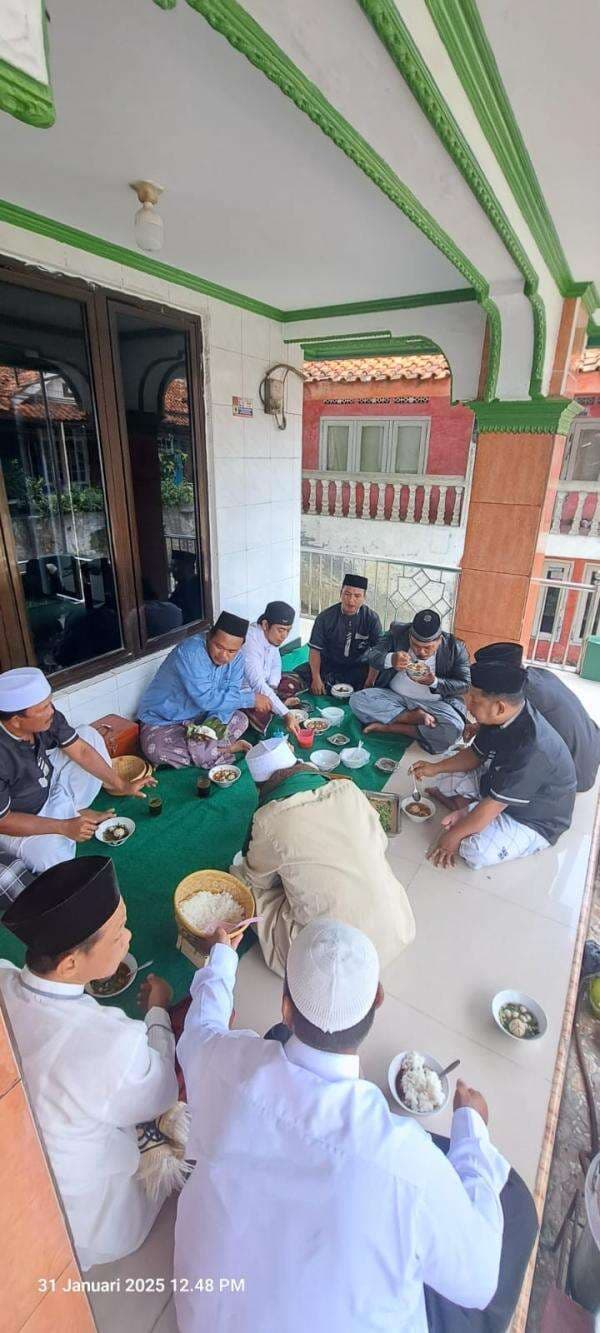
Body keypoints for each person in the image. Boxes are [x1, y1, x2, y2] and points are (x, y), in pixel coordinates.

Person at [174, 918, 537, 1333]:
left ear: (285, 1005)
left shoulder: (229, 1064)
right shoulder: (406, 1161)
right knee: (512, 1203)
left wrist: (221, 957)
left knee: (273, 1041)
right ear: (377, 1000)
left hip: (203, 1320)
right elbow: (479, 1282)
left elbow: (201, 1029)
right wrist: (473, 1134)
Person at [0, 857, 179, 1270]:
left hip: (22, 1181)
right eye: (118, 934)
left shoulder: (5, 977)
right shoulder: (108, 1043)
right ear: (70, 965)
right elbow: (161, 1092)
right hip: (89, 1218)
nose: (128, 937)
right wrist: (157, 1013)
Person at [232, 737, 415, 974]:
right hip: (396, 930)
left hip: (330, 960)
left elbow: (259, 879)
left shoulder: (269, 818)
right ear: (299, 765)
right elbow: (379, 841)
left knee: (244, 881)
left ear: (260, 787)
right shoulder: (348, 789)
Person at [413, 659, 577, 871]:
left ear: (499, 706)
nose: (467, 704)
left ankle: (470, 813)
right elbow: (473, 755)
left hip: (533, 816)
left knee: (473, 851)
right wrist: (433, 767)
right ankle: (470, 812)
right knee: (444, 780)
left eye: (474, 700)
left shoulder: (534, 748)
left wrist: (451, 837)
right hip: (500, 785)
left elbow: (495, 804)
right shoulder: (502, 717)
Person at [0, 667, 154, 873]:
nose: (51, 711)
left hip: (47, 783)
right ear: (16, 721)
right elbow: (5, 822)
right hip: (20, 818)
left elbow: (81, 751)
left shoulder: (48, 717)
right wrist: (62, 827)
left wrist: (122, 785)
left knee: (88, 735)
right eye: (42, 708)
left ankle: (74, 811)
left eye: (49, 702)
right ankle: (69, 817)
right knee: (52, 859)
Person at [138, 611, 270, 769]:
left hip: (200, 717)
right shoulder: (190, 652)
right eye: (218, 646)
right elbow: (206, 698)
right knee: (155, 749)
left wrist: (209, 729)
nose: (223, 656)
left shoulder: (238, 660)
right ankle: (220, 750)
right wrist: (251, 699)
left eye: (231, 651)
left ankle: (206, 751)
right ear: (209, 636)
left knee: (241, 719)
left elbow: (229, 698)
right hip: (164, 721)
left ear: (240, 647)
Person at [474, 641, 600, 793]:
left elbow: (500, 743)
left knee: (489, 780)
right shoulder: (538, 674)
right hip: (591, 749)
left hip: (576, 775)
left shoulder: (524, 700)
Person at [350, 609, 469, 754]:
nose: (421, 652)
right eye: (415, 645)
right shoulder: (397, 632)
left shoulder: (455, 647)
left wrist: (434, 682)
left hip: (435, 704)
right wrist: (391, 659)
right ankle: (411, 717)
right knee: (357, 700)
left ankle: (393, 727)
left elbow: (464, 685)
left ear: (439, 641)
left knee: (454, 729)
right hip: (394, 697)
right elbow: (373, 655)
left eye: (427, 648)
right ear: (409, 636)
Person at [297, 573, 381, 695]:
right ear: (340, 593)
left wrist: (370, 681)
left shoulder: (371, 618)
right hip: (329, 663)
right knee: (297, 676)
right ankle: (327, 682)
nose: (351, 600)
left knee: (383, 676)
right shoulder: (325, 617)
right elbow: (315, 650)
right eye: (347, 594)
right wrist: (316, 678)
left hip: (357, 665)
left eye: (357, 596)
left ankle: (331, 684)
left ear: (364, 598)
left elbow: (378, 652)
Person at [241, 600, 303, 736]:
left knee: (294, 679)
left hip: (267, 686)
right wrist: (286, 714)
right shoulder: (250, 642)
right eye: (281, 630)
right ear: (265, 625)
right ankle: (279, 704)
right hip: (247, 691)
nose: (284, 636)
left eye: (288, 630)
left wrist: (274, 687)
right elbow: (258, 685)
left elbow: (276, 664)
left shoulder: (271, 637)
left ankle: (277, 702)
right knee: (260, 715)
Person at [169, 549, 203, 624]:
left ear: (189, 568)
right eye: (171, 566)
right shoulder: (182, 584)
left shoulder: (194, 587)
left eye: (175, 566)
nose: (172, 570)